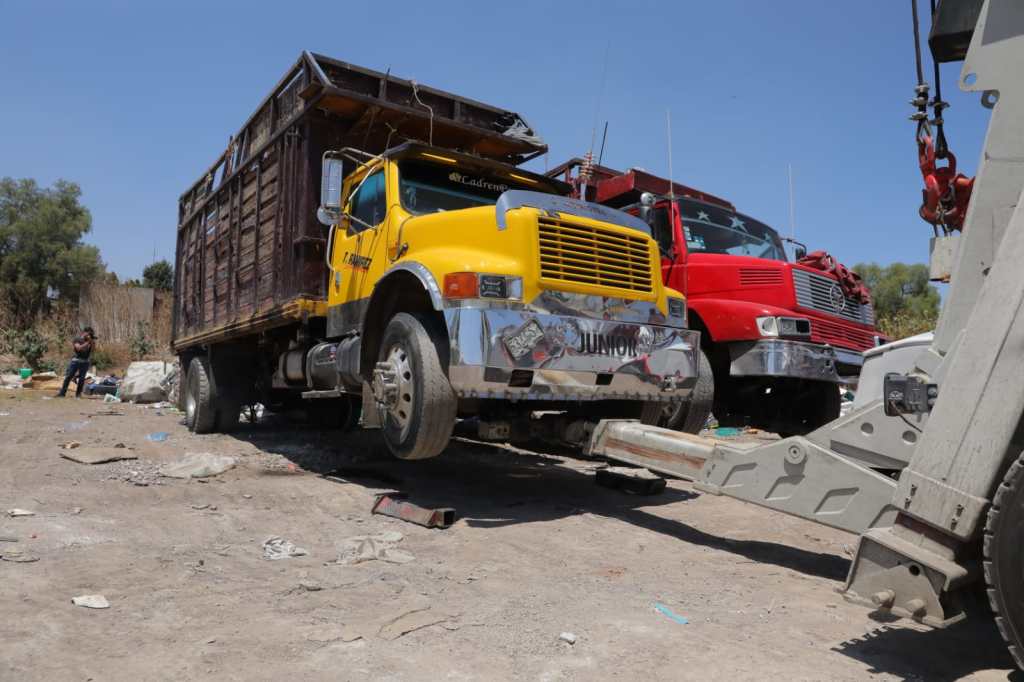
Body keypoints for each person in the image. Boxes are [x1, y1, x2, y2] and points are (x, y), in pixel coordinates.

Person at [57, 327, 96, 398]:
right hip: (76, 361)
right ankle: (62, 393)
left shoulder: (90, 341)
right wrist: (87, 343)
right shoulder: (77, 339)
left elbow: (93, 350)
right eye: (89, 334)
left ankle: (78, 394)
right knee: (69, 377)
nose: (89, 335)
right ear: (84, 332)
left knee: (81, 379)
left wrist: (91, 342)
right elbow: (78, 348)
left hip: (85, 362)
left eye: (91, 334)